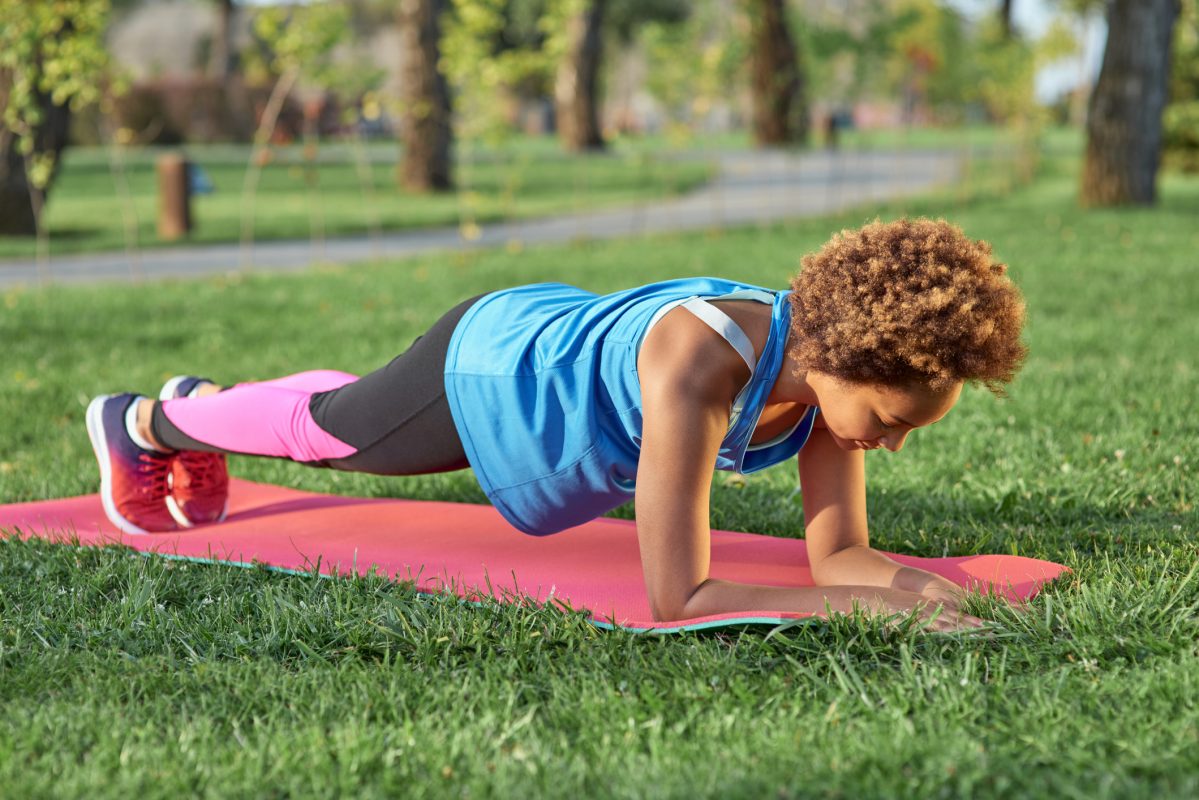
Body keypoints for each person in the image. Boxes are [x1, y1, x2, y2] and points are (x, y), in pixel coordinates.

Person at [85, 218, 1026, 632]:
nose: (891, 442)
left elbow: (839, 560)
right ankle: (150, 423)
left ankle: (208, 402)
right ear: (835, 358)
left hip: (557, 337)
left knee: (359, 404)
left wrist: (928, 591)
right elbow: (682, 595)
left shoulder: (829, 384)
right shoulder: (698, 368)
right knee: (341, 436)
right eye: (891, 420)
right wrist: (886, 617)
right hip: (497, 368)